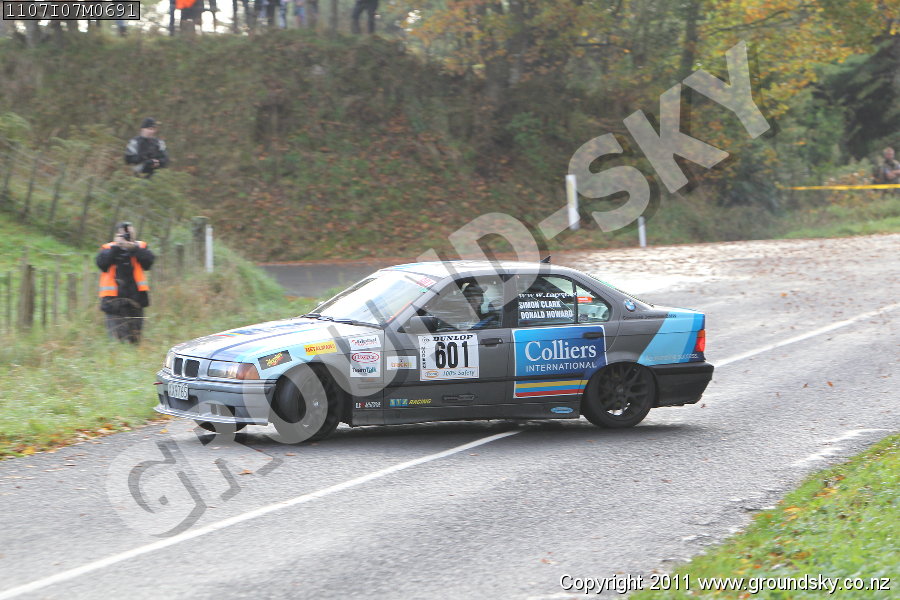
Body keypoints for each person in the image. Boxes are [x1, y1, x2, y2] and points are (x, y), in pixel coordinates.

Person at [96, 222, 155, 344]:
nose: (126, 236)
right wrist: (117, 247)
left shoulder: (140, 246)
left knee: (135, 340)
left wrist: (134, 248)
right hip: (113, 301)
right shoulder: (108, 248)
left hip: (136, 300)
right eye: (123, 234)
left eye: (129, 233)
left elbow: (148, 262)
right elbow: (102, 264)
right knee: (116, 341)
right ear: (116, 235)